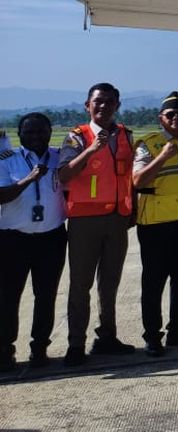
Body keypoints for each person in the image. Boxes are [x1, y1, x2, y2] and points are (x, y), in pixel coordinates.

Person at [57, 82, 136, 366]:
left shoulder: (125, 134)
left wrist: (132, 209)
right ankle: (75, 343)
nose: (103, 106)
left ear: (118, 105)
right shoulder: (77, 136)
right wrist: (90, 150)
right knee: (80, 284)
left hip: (117, 219)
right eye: (98, 101)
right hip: (85, 221)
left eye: (109, 102)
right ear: (87, 105)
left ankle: (107, 337)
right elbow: (64, 175)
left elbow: (127, 176)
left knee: (110, 284)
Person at [132, 91, 178, 355]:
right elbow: (138, 181)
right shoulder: (148, 144)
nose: (177, 118)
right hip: (156, 224)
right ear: (160, 118)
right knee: (154, 282)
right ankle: (152, 335)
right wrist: (162, 156)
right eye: (171, 114)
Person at [0, 113, 66, 370]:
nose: (36, 136)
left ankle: (40, 349)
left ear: (50, 132)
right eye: (29, 132)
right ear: (19, 135)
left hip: (52, 238)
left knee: (46, 295)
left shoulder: (59, 156)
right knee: (8, 297)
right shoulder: (7, 160)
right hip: (13, 239)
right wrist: (29, 179)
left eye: (41, 131)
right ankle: (5, 352)